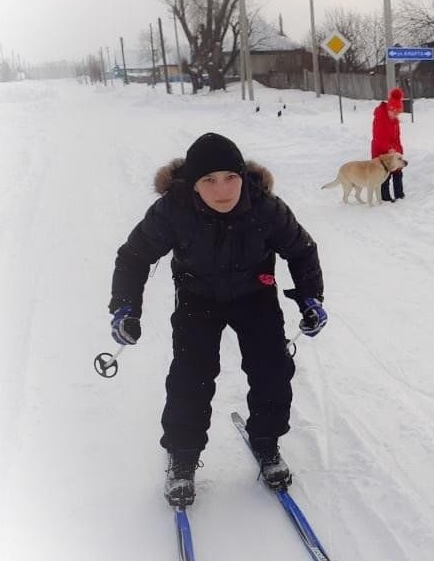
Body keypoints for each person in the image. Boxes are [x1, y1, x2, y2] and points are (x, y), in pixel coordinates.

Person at [108, 132, 328, 507]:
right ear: (193, 185)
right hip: (198, 298)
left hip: (255, 295)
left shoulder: (265, 208)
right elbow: (133, 256)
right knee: (191, 376)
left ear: (243, 176)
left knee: (272, 371)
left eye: (230, 177)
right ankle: (183, 456)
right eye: (208, 180)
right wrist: (126, 308)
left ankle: (267, 442)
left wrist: (311, 298)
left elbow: (302, 251)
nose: (222, 189)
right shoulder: (174, 210)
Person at [372, 87, 406, 202]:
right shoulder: (380, 118)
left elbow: (397, 139)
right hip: (380, 151)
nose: (395, 115)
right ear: (389, 108)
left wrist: (399, 151)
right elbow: (378, 138)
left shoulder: (395, 121)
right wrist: (389, 149)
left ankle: (399, 195)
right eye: (393, 111)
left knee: (398, 171)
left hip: (393, 151)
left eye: (398, 113)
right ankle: (385, 197)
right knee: (384, 174)